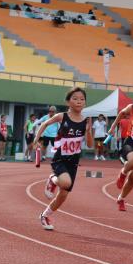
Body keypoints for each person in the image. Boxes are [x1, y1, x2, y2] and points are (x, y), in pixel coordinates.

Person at [34, 87, 93, 230]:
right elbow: (45, 123)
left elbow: (90, 145)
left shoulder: (87, 120)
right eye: (75, 98)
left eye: (82, 99)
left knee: (64, 194)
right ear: (68, 101)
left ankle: (45, 215)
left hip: (74, 161)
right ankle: (53, 179)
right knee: (65, 182)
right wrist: (37, 138)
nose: (79, 101)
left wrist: (89, 132)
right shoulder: (62, 116)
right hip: (60, 158)